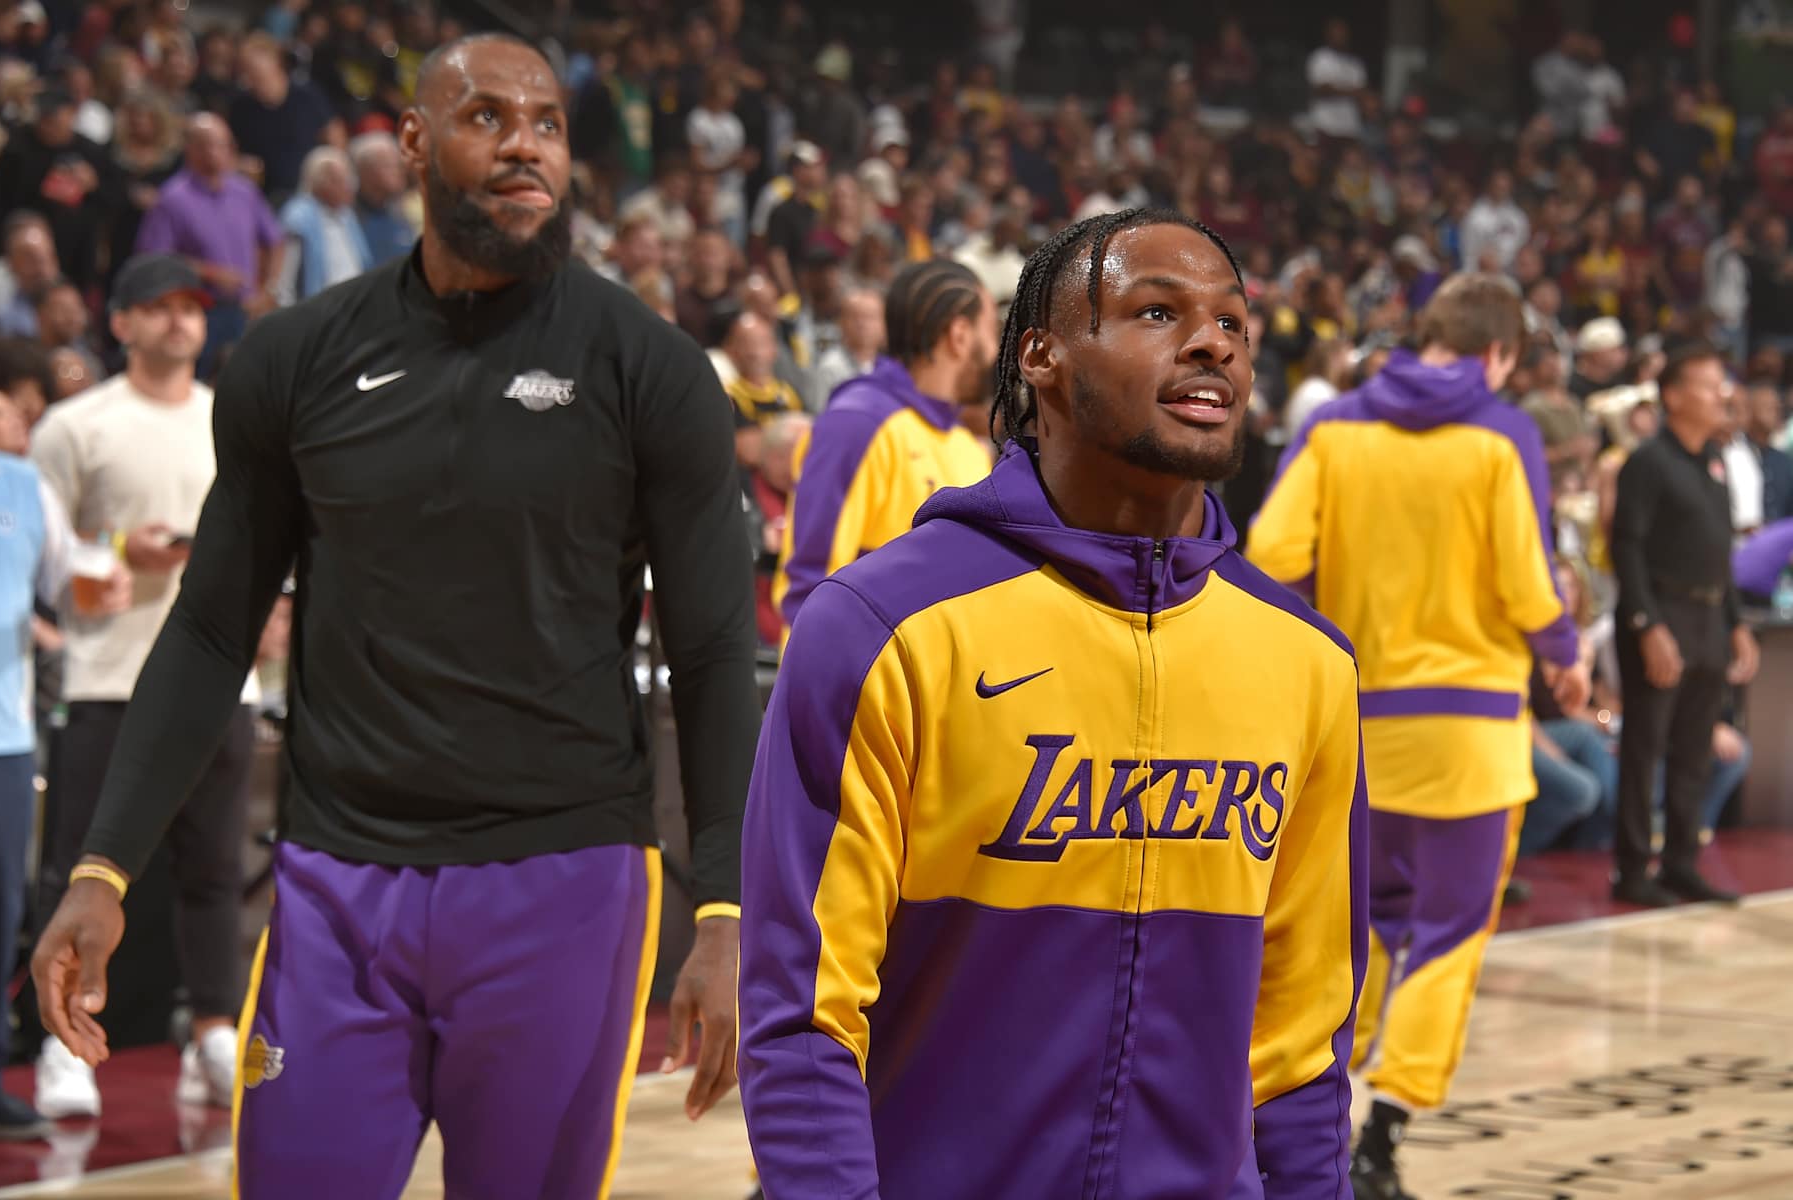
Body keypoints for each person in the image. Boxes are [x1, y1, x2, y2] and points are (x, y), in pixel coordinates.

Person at [30, 34, 759, 1199]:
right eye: (486, 117)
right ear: (413, 142)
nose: (525, 143)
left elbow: (716, 648)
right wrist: (103, 865)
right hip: (337, 883)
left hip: (562, 879)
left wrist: (724, 908)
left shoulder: (652, 370)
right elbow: (214, 626)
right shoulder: (296, 360)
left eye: (547, 123)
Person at [739, 208, 1367, 1198]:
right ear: (1039, 355)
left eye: (1233, 326)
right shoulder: (882, 629)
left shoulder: (1309, 662)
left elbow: (1300, 1045)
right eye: (1158, 310)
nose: (1213, 342)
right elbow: (805, 1016)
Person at [1248, 273, 1589, 1200]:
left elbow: (1270, 557)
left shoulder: (1334, 426)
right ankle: (1383, 1132)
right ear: (1501, 354)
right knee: (1447, 934)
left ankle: (1300, 1112)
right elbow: (1526, 585)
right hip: (1471, 735)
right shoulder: (1502, 432)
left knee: (1364, 932)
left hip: (1361, 727)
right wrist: (1563, 656)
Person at [28, 252, 261, 1120]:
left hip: (219, 686)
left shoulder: (227, 417)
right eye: (157, 308)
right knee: (80, 872)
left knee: (214, 869)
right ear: (120, 323)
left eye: (192, 308)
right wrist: (121, 556)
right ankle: (65, 1045)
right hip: (104, 672)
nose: (179, 322)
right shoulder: (73, 425)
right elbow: (41, 555)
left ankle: (211, 1031)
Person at [0, 389, 125, 1140]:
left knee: (0, 913)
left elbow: (70, 581)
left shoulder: (25, 486)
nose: (12, 415)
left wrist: (97, 586)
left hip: (5, 738)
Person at [773, 258, 998, 635]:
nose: (995, 350)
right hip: (871, 687)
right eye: (990, 330)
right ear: (960, 335)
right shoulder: (856, 424)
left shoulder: (967, 446)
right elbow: (809, 590)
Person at [1610, 344, 1759, 907]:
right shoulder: (1648, 461)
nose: (1722, 393)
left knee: (1695, 749)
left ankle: (1680, 862)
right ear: (1672, 396)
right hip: (1663, 614)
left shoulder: (1713, 464)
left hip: (1708, 617)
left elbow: (1720, 555)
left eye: (1723, 383)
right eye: (1707, 383)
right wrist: (1647, 625)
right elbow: (1627, 548)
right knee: (1646, 747)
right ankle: (1630, 870)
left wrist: (1737, 624)